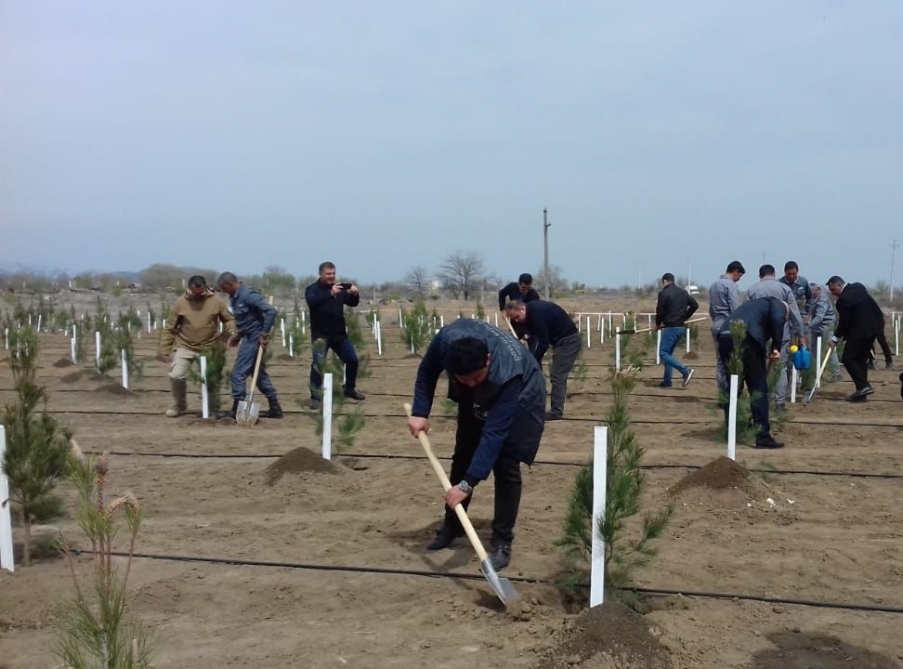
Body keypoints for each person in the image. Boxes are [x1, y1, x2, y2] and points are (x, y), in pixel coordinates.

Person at [407, 319, 546, 571]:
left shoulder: (508, 373)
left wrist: (467, 484)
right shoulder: (446, 343)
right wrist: (420, 412)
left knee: (506, 463)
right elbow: (427, 372)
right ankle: (453, 525)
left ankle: (502, 540)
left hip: (523, 391)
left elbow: (494, 433)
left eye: (475, 378)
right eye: (464, 379)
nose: (471, 383)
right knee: (463, 453)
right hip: (485, 385)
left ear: (488, 360)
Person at [157, 275, 235, 417]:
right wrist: (164, 349)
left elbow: (229, 320)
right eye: (195, 293)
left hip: (210, 346)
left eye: (201, 292)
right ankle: (179, 406)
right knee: (176, 375)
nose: (198, 295)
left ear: (205, 287)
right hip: (185, 345)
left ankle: (213, 409)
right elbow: (170, 328)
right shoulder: (180, 302)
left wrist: (226, 335)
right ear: (189, 289)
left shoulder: (217, 301)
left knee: (212, 378)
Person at [716, 297, 788, 449]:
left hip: (724, 336)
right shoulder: (777, 304)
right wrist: (776, 347)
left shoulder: (753, 305)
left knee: (734, 387)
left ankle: (731, 432)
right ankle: (762, 437)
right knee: (758, 389)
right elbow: (777, 319)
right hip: (746, 338)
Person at [216, 272, 283, 419]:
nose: (223, 292)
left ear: (230, 284)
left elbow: (271, 311)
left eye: (223, 288)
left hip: (255, 338)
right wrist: (238, 335)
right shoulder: (235, 297)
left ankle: (237, 409)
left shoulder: (247, 294)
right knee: (258, 374)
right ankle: (275, 407)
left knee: (238, 373)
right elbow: (246, 319)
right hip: (246, 336)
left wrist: (264, 334)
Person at [505, 299, 580, 420]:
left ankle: (556, 412)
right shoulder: (530, 312)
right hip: (558, 341)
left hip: (568, 341)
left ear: (522, 309)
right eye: (514, 319)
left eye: (517, 317)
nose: (517, 321)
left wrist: (532, 360)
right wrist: (523, 339)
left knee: (557, 376)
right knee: (555, 374)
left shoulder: (536, 314)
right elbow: (530, 334)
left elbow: (543, 343)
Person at [305, 261, 365, 409]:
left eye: (333, 273)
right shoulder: (312, 289)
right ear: (320, 274)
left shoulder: (340, 289)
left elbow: (353, 303)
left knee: (352, 360)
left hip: (339, 335)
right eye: (328, 274)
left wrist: (355, 294)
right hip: (321, 336)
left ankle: (349, 389)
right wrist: (330, 294)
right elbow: (312, 302)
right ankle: (315, 396)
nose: (331, 276)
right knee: (318, 365)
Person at [746, 264, 804, 411]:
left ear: (760, 276)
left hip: (758, 335)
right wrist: (801, 334)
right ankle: (779, 402)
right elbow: (795, 313)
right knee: (781, 367)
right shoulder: (784, 289)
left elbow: (746, 313)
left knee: (758, 367)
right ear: (774, 273)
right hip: (782, 334)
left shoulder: (752, 289)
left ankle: (760, 400)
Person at [827, 276, 884, 401]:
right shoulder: (859, 287)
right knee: (861, 361)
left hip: (858, 332)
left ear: (839, 285)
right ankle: (862, 394)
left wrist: (835, 338)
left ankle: (863, 386)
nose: (833, 293)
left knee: (848, 358)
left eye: (833, 290)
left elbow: (844, 322)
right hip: (872, 330)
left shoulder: (843, 300)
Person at [655, 273, 698, 388]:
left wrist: (657, 324)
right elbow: (695, 305)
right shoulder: (683, 292)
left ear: (664, 281)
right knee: (668, 354)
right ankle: (667, 381)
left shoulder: (663, 293)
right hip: (680, 327)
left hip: (671, 328)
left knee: (663, 353)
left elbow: (660, 311)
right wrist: (684, 317)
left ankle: (685, 370)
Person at [708, 261, 745, 390]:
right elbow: (735, 309)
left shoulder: (714, 285)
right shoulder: (731, 286)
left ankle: (721, 390)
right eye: (739, 276)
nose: (738, 280)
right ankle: (731, 390)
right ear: (735, 272)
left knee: (720, 360)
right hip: (728, 327)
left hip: (716, 324)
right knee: (732, 359)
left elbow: (711, 308)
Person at [807, 284, 841, 382]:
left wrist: (808, 325)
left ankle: (836, 373)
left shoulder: (823, 299)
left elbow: (819, 317)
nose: (811, 293)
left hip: (826, 324)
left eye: (812, 291)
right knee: (813, 349)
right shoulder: (814, 297)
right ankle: (816, 372)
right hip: (816, 325)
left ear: (818, 289)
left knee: (829, 348)